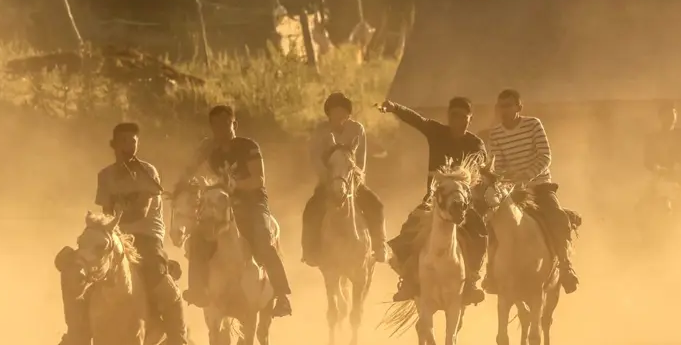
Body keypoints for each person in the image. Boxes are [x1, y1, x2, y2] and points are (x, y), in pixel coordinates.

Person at [45, 122, 188, 345]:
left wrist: (115, 222)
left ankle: (176, 330)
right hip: (116, 236)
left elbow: (141, 210)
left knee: (157, 275)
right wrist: (105, 230)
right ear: (114, 145)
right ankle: (77, 331)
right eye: (124, 142)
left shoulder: (148, 172)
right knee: (78, 268)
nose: (129, 147)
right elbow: (107, 211)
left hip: (146, 237)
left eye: (133, 142)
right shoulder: (106, 176)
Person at [178, 105, 293, 318]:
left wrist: (234, 186)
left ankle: (282, 294)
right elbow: (190, 169)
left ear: (235, 125)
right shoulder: (207, 148)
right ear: (211, 126)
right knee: (197, 239)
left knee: (262, 238)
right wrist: (184, 186)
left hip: (251, 204)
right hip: (219, 204)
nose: (221, 129)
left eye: (226, 124)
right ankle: (197, 290)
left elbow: (258, 180)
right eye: (216, 124)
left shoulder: (248, 146)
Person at [378, 97, 487, 304]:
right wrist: (394, 107)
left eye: (464, 117)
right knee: (408, 230)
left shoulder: (475, 145)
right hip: (434, 201)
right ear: (449, 117)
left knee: (480, 233)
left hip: (463, 203)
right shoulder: (437, 132)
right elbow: (417, 120)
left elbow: (482, 163)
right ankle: (408, 279)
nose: (459, 120)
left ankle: (472, 280)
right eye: (455, 116)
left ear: (470, 119)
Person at [486, 89, 579, 294]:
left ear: (519, 107)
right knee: (489, 220)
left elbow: (545, 156)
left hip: (539, 186)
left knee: (558, 217)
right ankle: (489, 272)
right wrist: (503, 178)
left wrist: (526, 176)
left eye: (509, 105)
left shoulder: (533, 125)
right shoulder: (496, 133)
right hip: (511, 191)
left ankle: (565, 266)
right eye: (501, 106)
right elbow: (499, 164)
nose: (504, 110)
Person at [302, 92, 387, 267]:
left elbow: (361, 160)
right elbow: (315, 157)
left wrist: (354, 180)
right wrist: (326, 176)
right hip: (327, 182)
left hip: (353, 182)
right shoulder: (321, 131)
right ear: (329, 114)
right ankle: (310, 250)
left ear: (348, 114)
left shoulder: (357, 130)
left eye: (342, 112)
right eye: (335, 112)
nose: (339, 116)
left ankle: (379, 245)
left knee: (376, 205)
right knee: (311, 210)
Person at [643, 102, 681, 183]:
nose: (671, 116)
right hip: (660, 179)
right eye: (667, 113)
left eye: (673, 112)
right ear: (660, 116)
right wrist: (657, 168)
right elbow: (647, 161)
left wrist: (680, 167)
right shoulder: (653, 138)